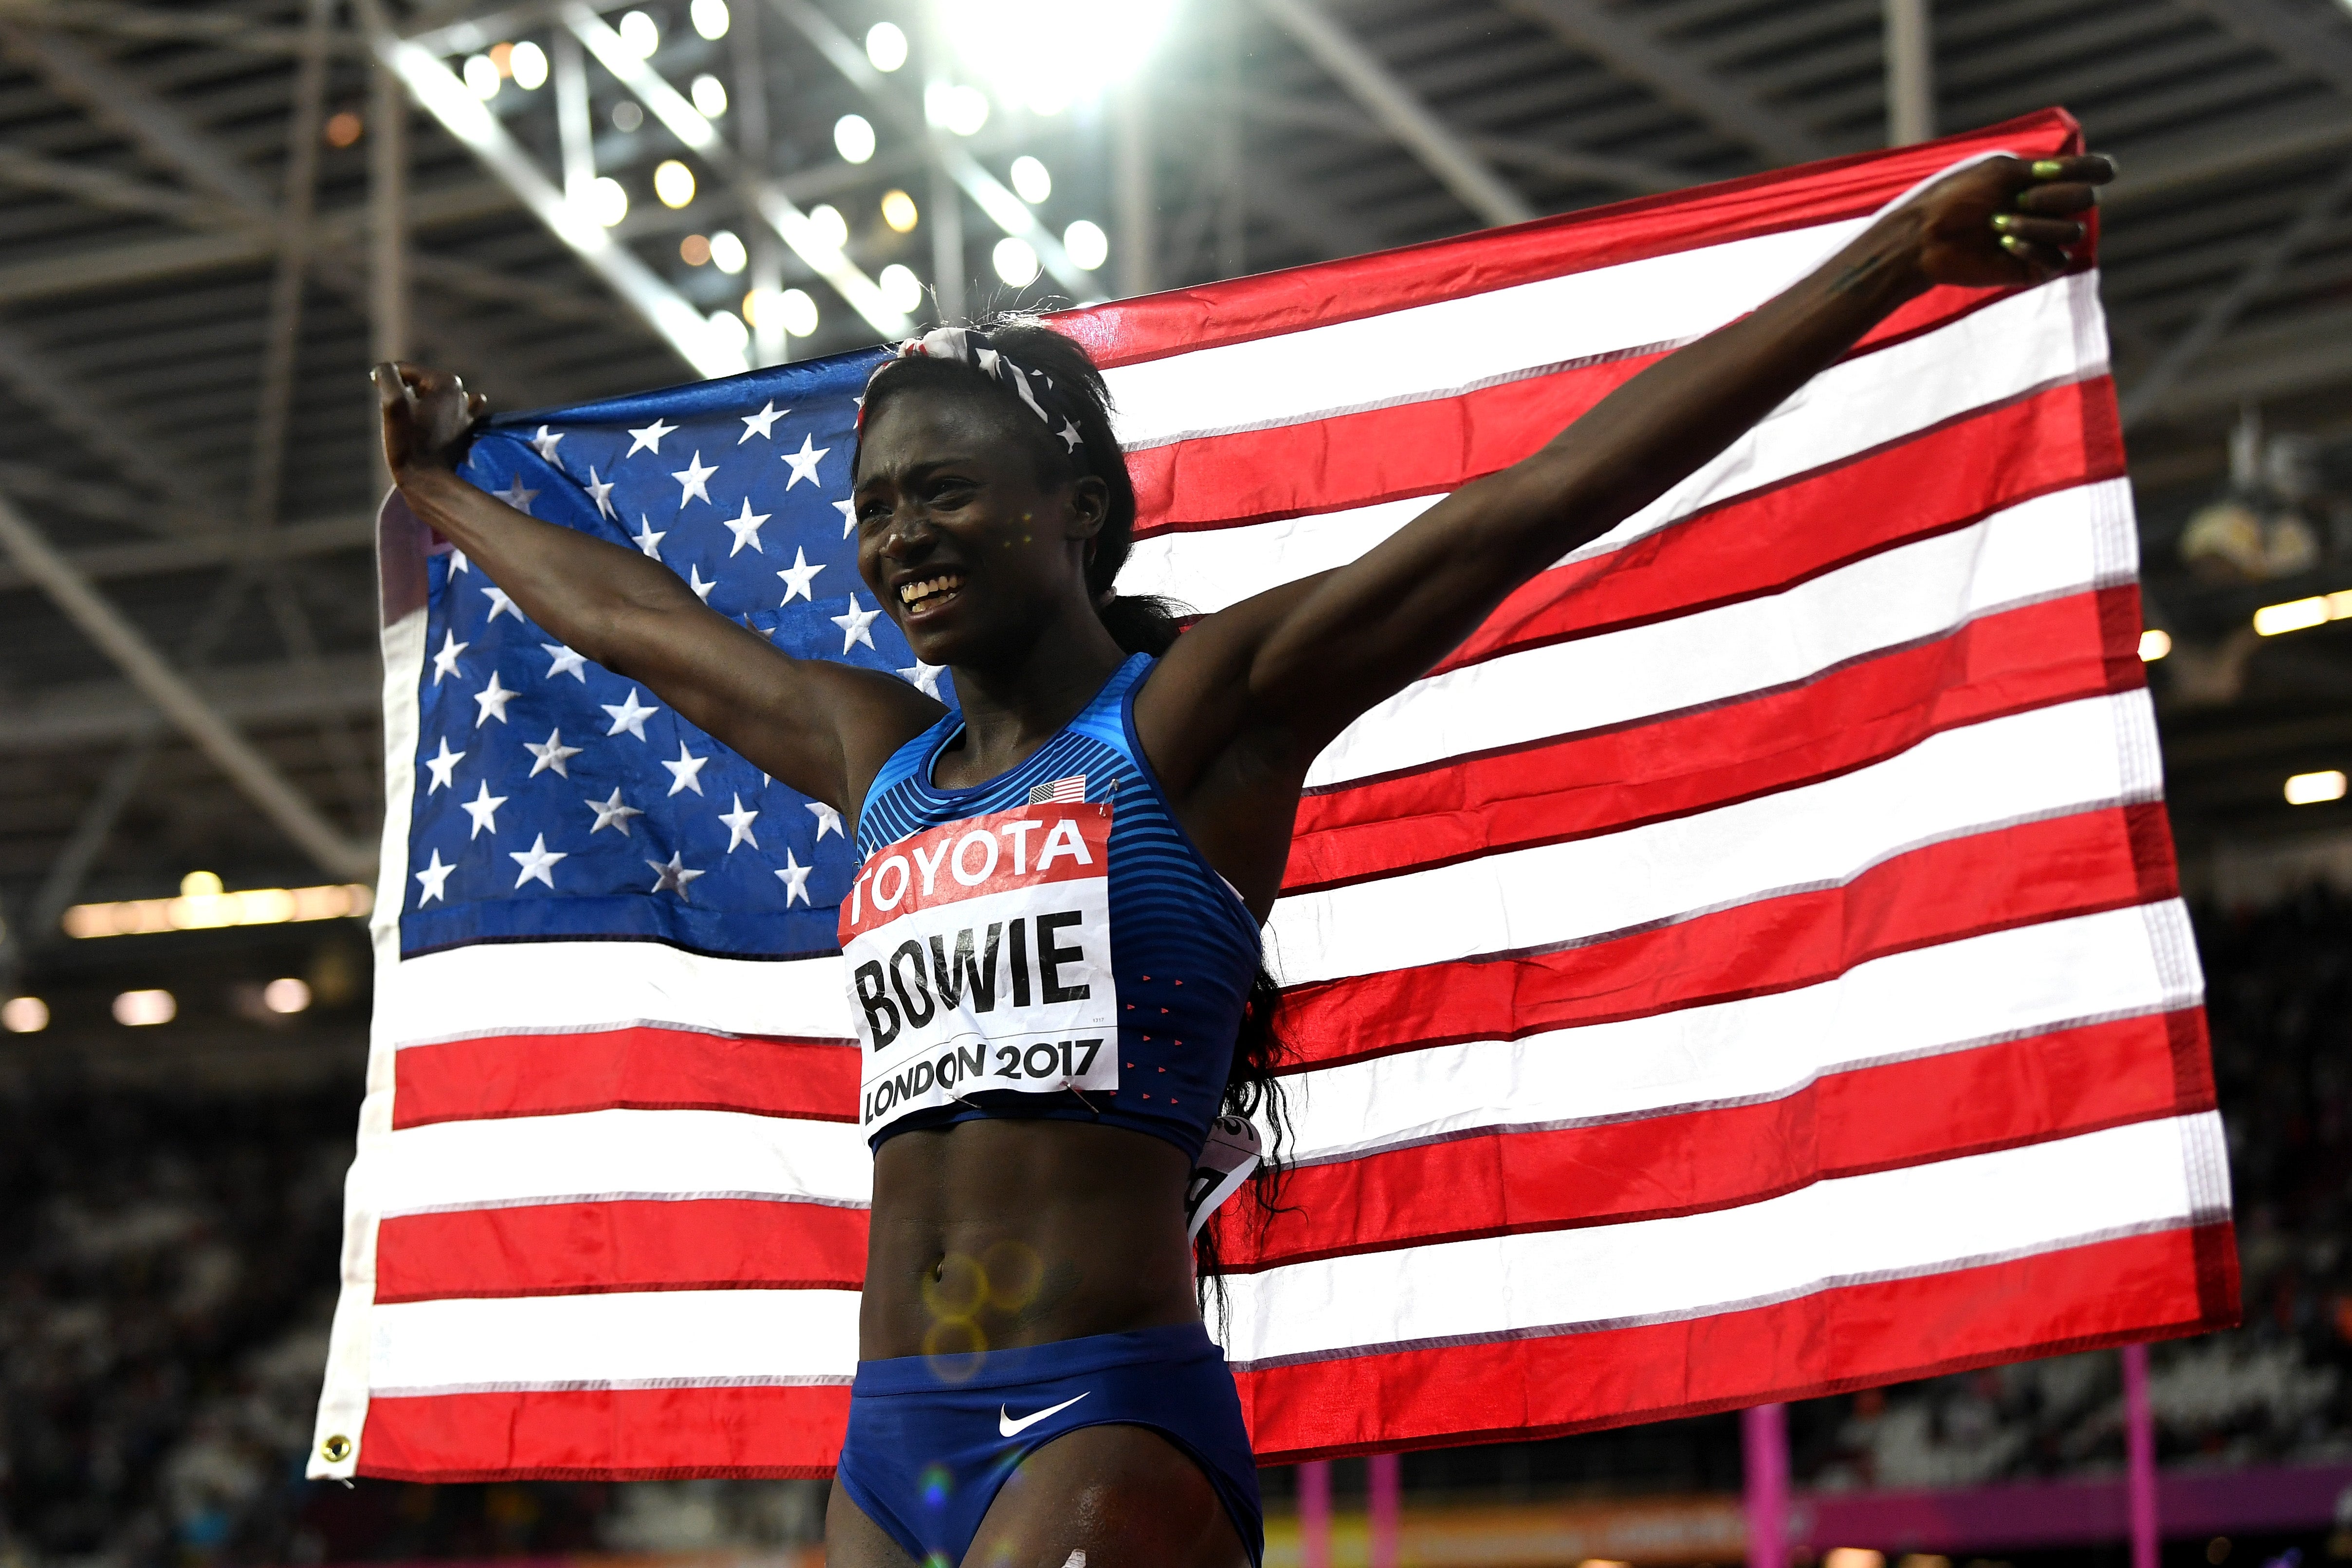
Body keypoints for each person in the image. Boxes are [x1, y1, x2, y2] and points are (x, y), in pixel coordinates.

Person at [375, 150, 2112, 1568]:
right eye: (880, 505)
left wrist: (1891, 265)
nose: (902, 534)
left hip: (1102, 1424)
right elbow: (638, 625)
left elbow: (1532, 506)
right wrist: (445, 490)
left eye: (949, 493)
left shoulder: (1196, 720)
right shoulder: (874, 757)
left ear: (1077, 508)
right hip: (885, 1443)